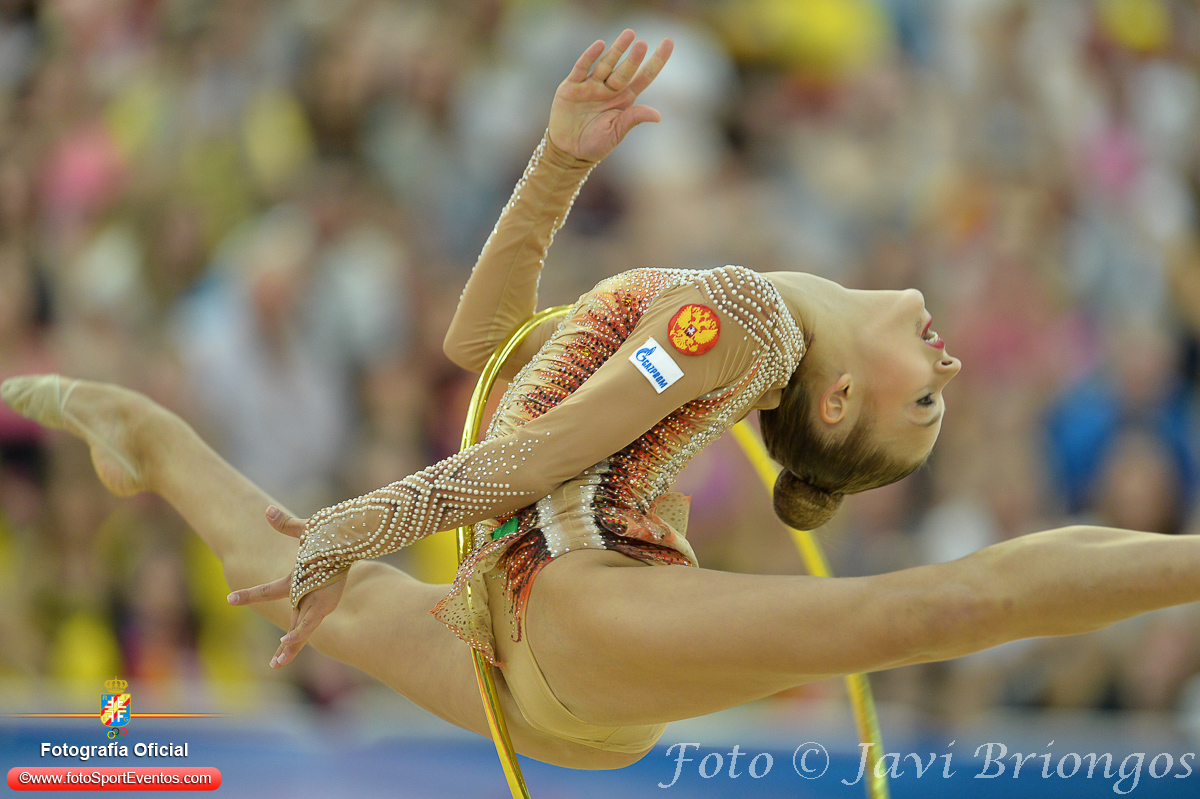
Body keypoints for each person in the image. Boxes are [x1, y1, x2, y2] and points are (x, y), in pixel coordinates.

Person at [5, 30, 1200, 770]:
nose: (947, 367)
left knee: (933, 610)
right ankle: (137, 425)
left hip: (582, 606)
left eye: (923, 405)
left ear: (836, 400)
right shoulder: (731, 316)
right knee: (305, 569)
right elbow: (487, 352)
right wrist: (560, 163)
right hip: (546, 635)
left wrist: (356, 520)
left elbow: (524, 461)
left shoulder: (740, 319)